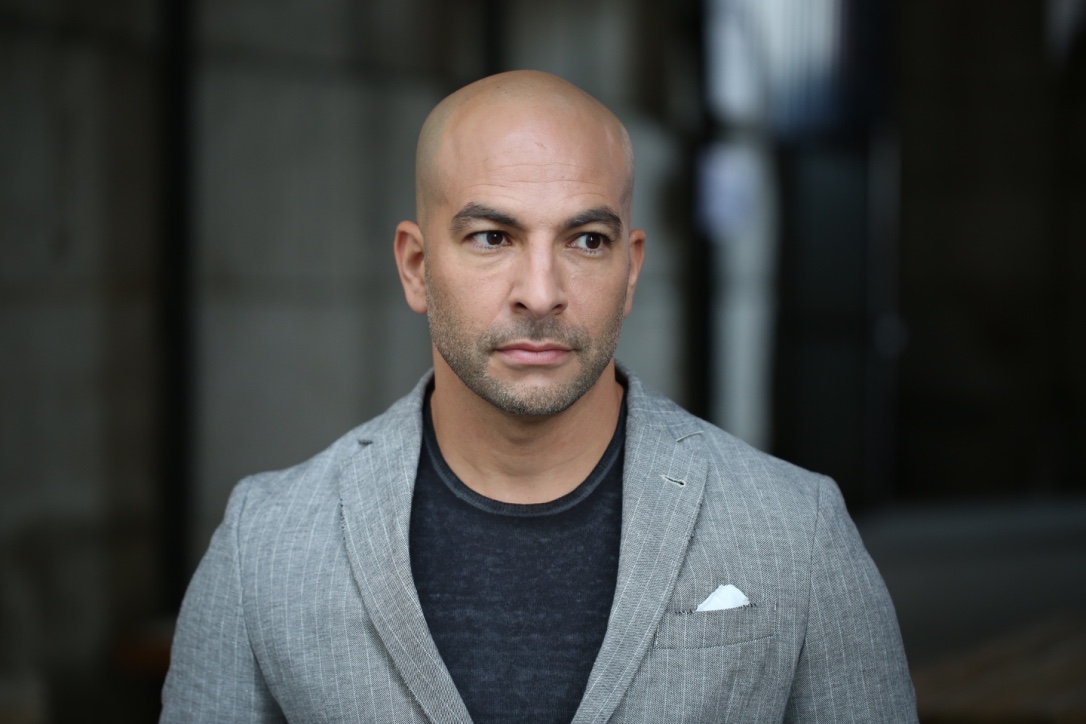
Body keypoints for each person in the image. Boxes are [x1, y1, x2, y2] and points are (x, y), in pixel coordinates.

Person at [161, 70, 916, 723]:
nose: (541, 292)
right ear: (417, 267)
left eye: (586, 241)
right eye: (493, 237)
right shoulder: (266, 544)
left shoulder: (797, 530)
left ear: (630, 270)